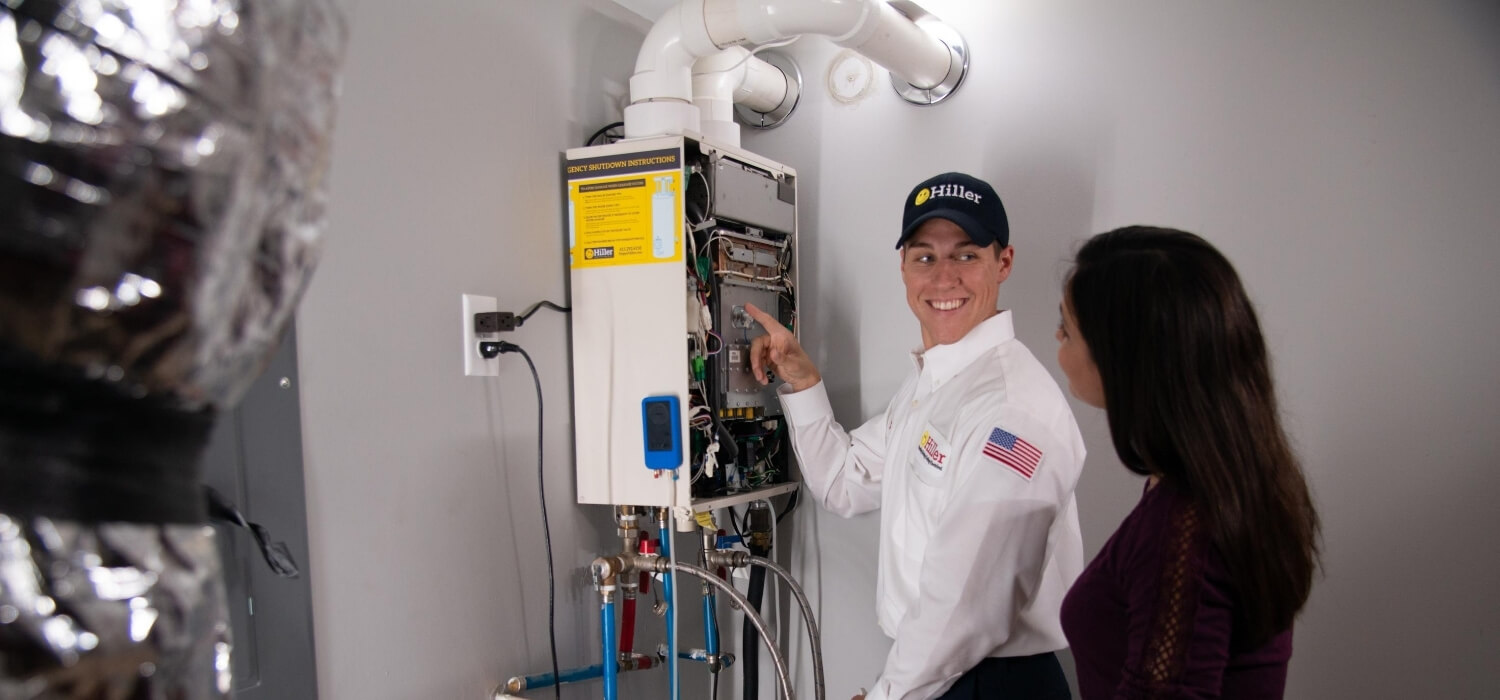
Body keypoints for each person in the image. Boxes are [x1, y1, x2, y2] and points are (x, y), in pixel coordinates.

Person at [747, 172, 1085, 700]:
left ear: (1004, 262)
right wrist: (802, 381)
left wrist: (889, 696)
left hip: (992, 682)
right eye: (924, 257)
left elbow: (968, 605)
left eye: (966, 255)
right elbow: (843, 481)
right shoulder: (934, 385)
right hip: (939, 676)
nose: (943, 278)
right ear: (903, 267)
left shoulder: (1010, 408)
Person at [1054, 226, 1321, 699]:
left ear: (1125, 360)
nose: (1058, 342)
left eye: (1068, 330)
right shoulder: (1233, 478)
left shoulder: (1185, 528)